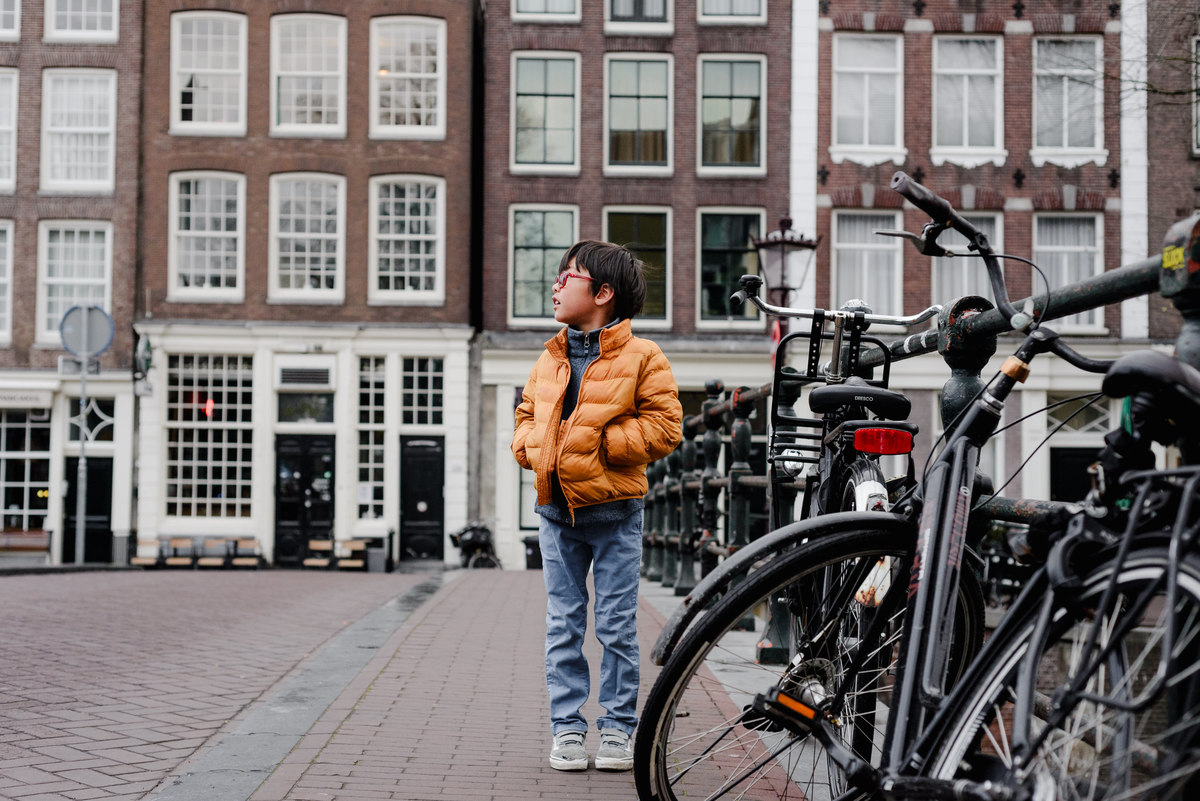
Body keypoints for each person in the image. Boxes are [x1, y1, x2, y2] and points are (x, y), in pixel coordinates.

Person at [512, 240, 683, 772]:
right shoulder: (549, 356)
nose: (558, 284)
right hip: (556, 514)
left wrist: (603, 445)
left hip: (615, 515)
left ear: (603, 293)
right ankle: (566, 730)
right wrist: (532, 447)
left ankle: (617, 729)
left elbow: (666, 425)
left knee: (615, 627)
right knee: (563, 624)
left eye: (570, 276)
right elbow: (524, 415)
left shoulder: (644, 356)